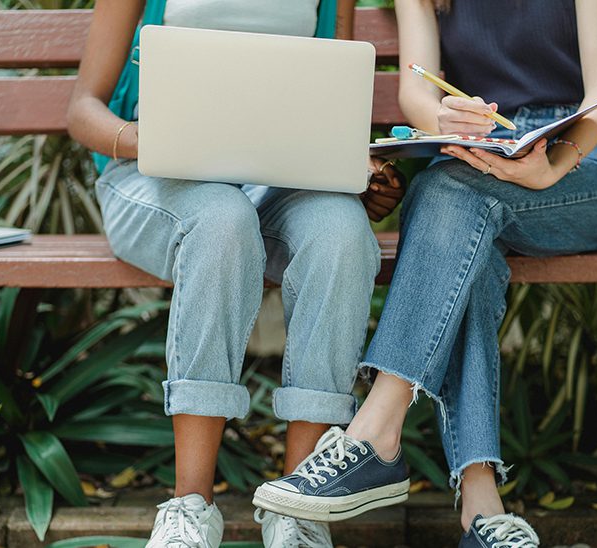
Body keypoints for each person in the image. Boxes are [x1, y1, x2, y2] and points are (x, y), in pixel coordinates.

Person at [255, 1, 597, 546]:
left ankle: (375, 433)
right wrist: (445, 120)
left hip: (576, 161)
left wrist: (552, 165)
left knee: (443, 194)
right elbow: (417, 92)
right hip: (477, 155)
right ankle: (483, 513)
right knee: (464, 238)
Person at [66, 1, 404, 546]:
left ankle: (299, 510)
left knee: (341, 232)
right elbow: (83, 109)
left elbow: (330, 104)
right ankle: (190, 508)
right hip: (152, 176)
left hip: (277, 180)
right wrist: (151, 141)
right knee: (222, 221)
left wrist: (353, 168)